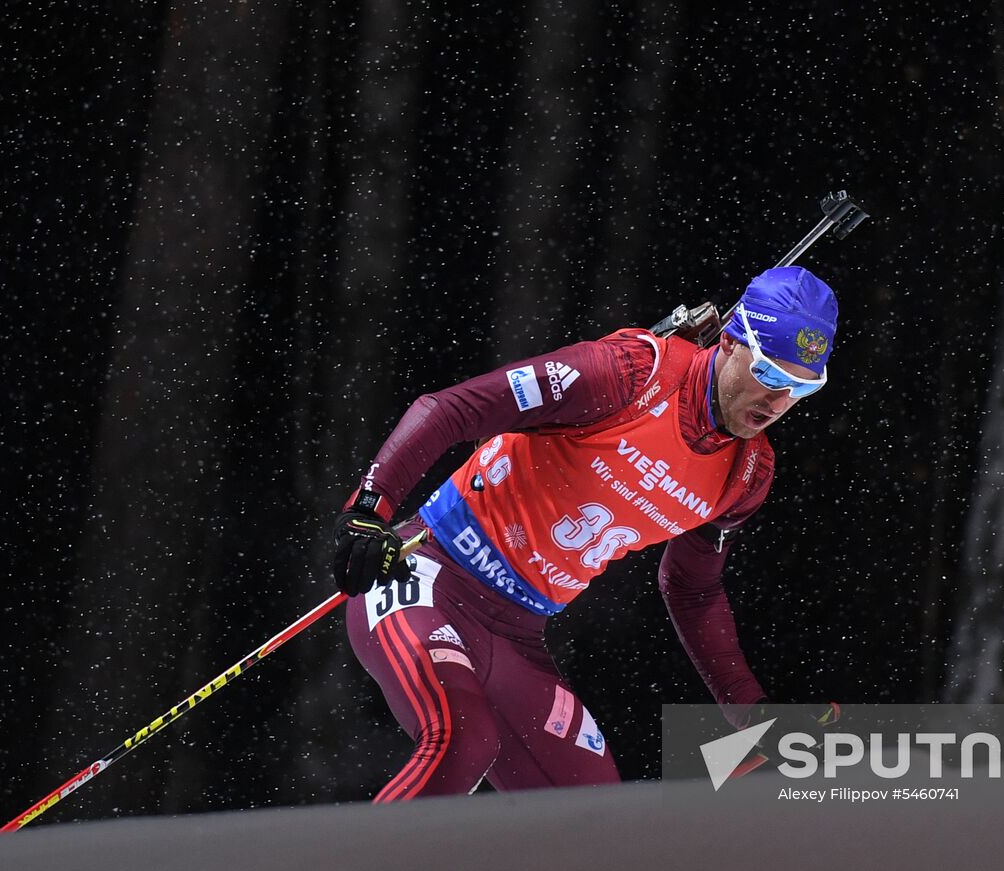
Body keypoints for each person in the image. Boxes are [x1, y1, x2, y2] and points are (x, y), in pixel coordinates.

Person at [332, 266, 838, 801]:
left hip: (518, 636)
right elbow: (452, 409)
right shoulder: (629, 374)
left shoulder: (746, 475)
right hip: (430, 576)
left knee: (592, 819)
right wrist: (369, 509)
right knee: (463, 741)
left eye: (802, 387)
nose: (779, 402)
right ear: (733, 340)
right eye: (769, 374)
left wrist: (749, 712)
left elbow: (693, 589)